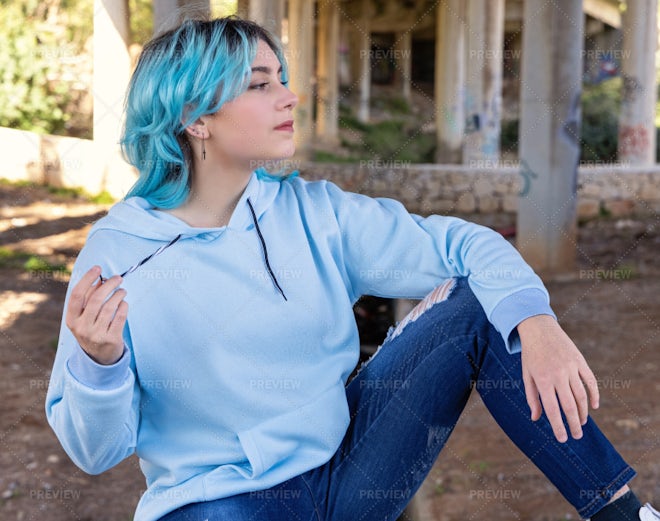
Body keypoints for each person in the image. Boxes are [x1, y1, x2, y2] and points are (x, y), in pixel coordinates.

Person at [45, 16, 657, 521]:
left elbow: (466, 246)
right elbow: (95, 453)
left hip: (352, 469)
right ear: (195, 117)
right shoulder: (119, 252)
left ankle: (624, 515)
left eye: (282, 78)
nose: (289, 96)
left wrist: (536, 323)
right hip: (219, 502)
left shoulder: (316, 213)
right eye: (259, 84)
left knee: (480, 303)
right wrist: (100, 366)